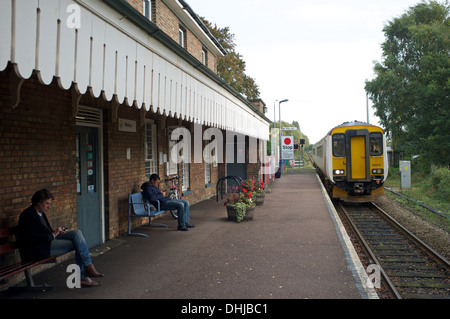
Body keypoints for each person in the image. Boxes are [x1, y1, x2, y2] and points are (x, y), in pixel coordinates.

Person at [18, 189, 103, 287]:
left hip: (49, 241)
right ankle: (84, 275)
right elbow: (31, 239)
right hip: (40, 249)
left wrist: (57, 232)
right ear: (38, 202)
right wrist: (52, 235)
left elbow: (47, 232)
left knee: (77, 233)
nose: (49, 207)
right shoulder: (27, 215)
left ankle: (88, 266)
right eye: (47, 204)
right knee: (78, 244)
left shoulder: (41, 213)